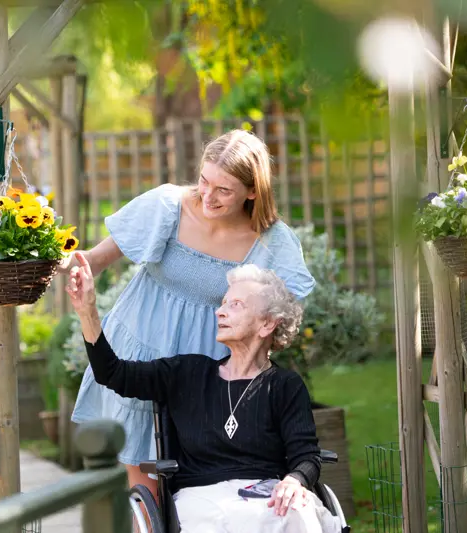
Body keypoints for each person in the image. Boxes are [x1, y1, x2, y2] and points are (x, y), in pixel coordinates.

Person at [58, 129, 316, 495]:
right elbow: (94, 260)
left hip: (205, 370)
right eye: (204, 181)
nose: (208, 196)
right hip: (141, 346)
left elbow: (279, 314)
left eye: (223, 190)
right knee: (145, 483)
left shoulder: (271, 242)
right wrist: (51, 258)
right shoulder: (168, 206)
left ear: (252, 191)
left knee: (196, 478)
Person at [67, 256, 339, 533]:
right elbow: (112, 373)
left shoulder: (285, 385)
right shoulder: (188, 373)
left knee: (297, 513)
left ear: (267, 324)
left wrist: (295, 480)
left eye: (235, 305)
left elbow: (307, 455)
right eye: (223, 303)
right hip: (202, 498)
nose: (220, 312)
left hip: (267, 495)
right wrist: (88, 312)